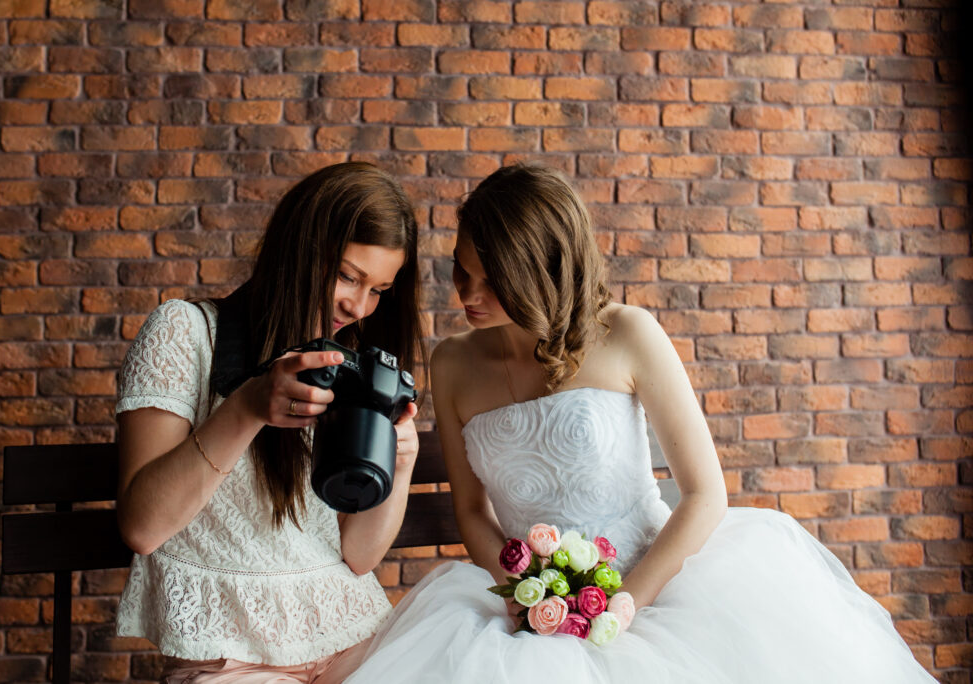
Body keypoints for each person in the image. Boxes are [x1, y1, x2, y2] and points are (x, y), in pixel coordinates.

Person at [344, 165, 935, 683]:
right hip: (530, 607)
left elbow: (705, 494)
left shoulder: (628, 333)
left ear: (538, 271)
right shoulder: (452, 362)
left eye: (489, 279)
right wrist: (527, 594)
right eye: (459, 270)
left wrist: (622, 606)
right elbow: (472, 511)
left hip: (658, 589)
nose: (466, 293)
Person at [113, 162, 425, 683]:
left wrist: (404, 460)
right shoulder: (185, 333)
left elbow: (360, 555)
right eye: (347, 275)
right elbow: (142, 528)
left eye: (378, 289)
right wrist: (247, 406)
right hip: (229, 656)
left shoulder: (345, 364)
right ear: (298, 251)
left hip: (351, 636)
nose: (358, 304)